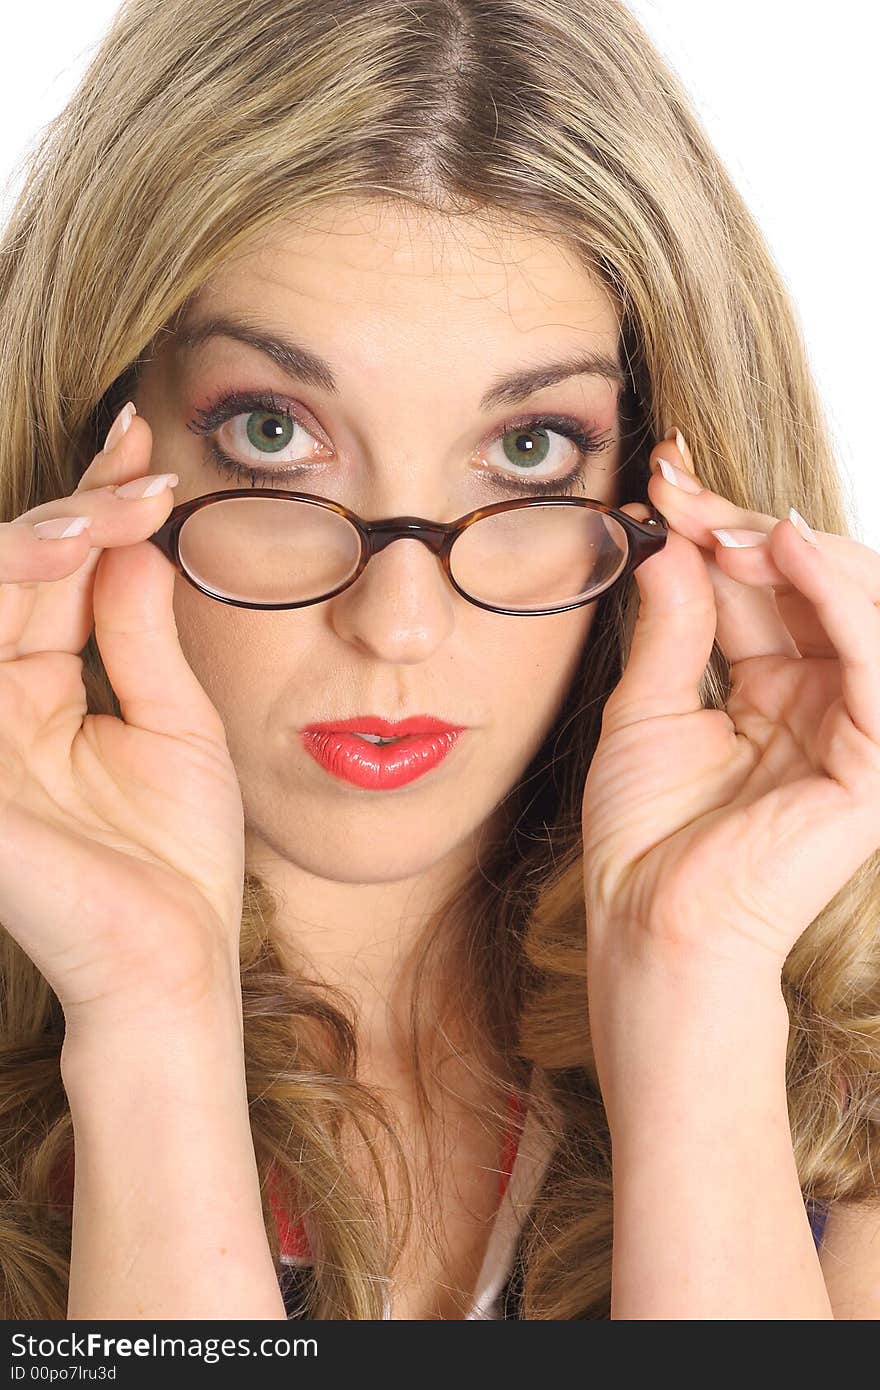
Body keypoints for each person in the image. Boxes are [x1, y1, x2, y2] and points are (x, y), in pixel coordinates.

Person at [0, 0, 877, 1322]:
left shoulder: (838, 1128)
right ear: (99, 452)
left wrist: (698, 997)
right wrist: (145, 1016)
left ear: (658, 489)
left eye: (529, 448)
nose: (399, 619)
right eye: (271, 432)